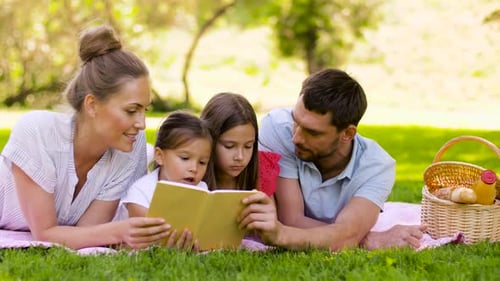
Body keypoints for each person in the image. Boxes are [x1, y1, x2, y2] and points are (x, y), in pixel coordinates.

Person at [0, 24, 171, 250]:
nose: (141, 124)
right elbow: (45, 233)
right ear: (92, 104)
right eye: (131, 111)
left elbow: (88, 234)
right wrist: (120, 231)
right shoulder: (37, 132)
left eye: (145, 110)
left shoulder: (129, 148)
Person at [238, 68, 426, 251]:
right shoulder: (278, 128)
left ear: (347, 133)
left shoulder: (377, 167)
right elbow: (291, 219)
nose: (296, 137)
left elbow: (345, 234)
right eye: (296, 121)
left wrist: (281, 236)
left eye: (312, 132)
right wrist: (364, 238)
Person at [119, 110, 212, 250]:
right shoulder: (141, 191)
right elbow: (146, 234)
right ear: (159, 156)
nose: (194, 168)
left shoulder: (201, 189)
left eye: (202, 162)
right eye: (185, 158)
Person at [200, 92, 280, 195]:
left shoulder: (261, 175)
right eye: (229, 146)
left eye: (248, 146)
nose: (240, 157)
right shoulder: (191, 173)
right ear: (210, 140)